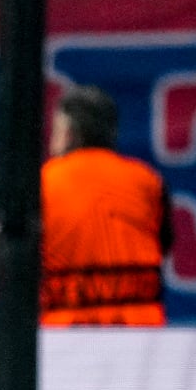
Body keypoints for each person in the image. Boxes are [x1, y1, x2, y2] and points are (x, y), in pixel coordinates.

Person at [40, 84, 173, 326]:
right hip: (142, 331)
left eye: (55, 131)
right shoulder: (148, 180)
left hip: (65, 331)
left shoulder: (41, 183)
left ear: (69, 134)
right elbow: (165, 245)